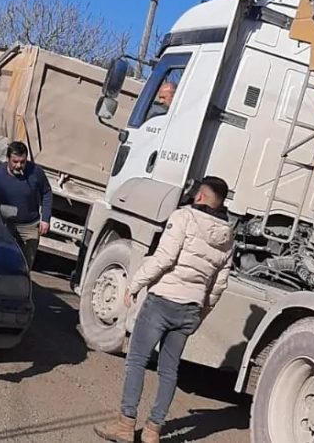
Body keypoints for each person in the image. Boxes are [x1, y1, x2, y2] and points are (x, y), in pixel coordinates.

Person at [94, 176, 234, 443]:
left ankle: (125, 425)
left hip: (163, 300)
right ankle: (153, 431)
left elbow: (165, 257)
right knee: (169, 370)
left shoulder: (184, 217)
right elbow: (219, 284)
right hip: (190, 307)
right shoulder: (228, 236)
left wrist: (134, 284)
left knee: (136, 360)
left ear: (200, 196)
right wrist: (200, 313)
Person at [0, 141, 52, 270]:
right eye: (15, 162)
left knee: (25, 265)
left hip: (30, 226)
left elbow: (47, 192)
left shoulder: (36, 172)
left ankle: (21, 286)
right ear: (7, 159)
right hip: (6, 225)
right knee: (2, 261)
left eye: (22, 162)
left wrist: (46, 219)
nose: (19, 165)